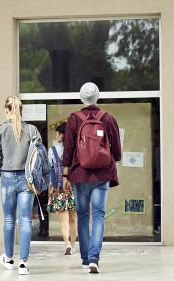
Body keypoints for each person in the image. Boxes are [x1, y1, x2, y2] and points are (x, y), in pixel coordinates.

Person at [62, 82, 121, 274]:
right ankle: (95, 258)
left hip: (79, 174)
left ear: (81, 98)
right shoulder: (108, 118)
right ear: (97, 97)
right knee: (98, 216)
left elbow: (68, 149)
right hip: (102, 173)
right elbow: (117, 150)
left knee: (83, 216)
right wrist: (113, 159)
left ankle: (86, 259)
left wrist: (65, 173)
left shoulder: (74, 119)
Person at [0, 96, 42, 275]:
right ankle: (23, 264)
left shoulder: (0, 130)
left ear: (6, 110)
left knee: (9, 219)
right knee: (26, 219)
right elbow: (40, 157)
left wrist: (1, 172)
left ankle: (10, 258)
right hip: (27, 180)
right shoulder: (32, 130)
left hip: (7, 177)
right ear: (21, 110)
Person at [46, 122, 78, 255]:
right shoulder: (76, 149)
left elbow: (49, 168)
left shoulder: (53, 149)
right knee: (73, 218)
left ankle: (67, 245)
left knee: (63, 218)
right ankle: (73, 244)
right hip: (73, 185)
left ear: (60, 135)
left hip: (58, 186)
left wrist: (50, 185)